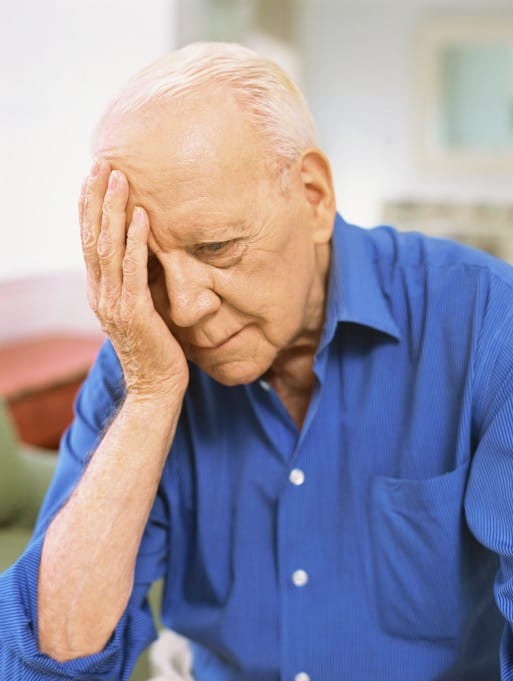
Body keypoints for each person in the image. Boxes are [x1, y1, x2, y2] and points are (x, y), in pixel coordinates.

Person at [0, 41, 512, 681]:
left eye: (216, 247)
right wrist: (155, 393)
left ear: (314, 196)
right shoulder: (142, 357)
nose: (184, 309)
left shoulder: (489, 325)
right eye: (151, 268)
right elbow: (41, 665)